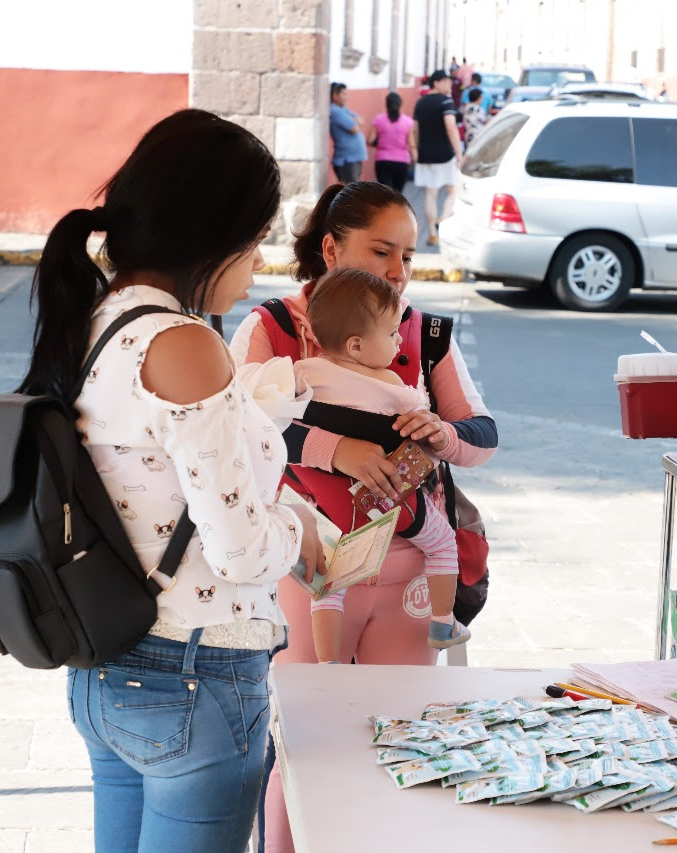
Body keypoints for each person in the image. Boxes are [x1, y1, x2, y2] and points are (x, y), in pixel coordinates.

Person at [19, 109, 324, 853]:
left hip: (108, 665)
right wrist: (299, 526)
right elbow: (243, 554)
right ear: (212, 238)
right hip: (193, 675)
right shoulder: (182, 342)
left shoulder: (97, 318)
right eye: (255, 241)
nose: (258, 263)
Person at [229, 180, 497, 853]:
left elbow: (482, 436)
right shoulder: (271, 328)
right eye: (382, 252)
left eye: (408, 256)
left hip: (407, 571)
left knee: (400, 742)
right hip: (307, 568)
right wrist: (332, 448)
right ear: (331, 246)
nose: (399, 272)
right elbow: (230, 430)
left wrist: (443, 434)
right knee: (303, 741)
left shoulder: (424, 333)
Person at [297, 268, 468, 662]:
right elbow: (423, 426)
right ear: (356, 345)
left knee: (330, 584)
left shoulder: (304, 373)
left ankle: (328, 662)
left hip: (330, 505)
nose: (397, 341)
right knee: (442, 544)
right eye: (392, 333)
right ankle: (444, 621)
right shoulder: (391, 383)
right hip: (393, 500)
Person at [410, 70, 463, 246]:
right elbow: (451, 127)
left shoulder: (420, 103)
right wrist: (459, 153)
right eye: (447, 82)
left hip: (425, 156)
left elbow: (415, 130)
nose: (449, 85)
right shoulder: (446, 102)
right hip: (445, 156)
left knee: (430, 194)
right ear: (437, 83)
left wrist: (416, 151)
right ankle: (444, 217)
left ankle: (432, 232)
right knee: (455, 189)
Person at [369, 91, 414, 193]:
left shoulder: (378, 119)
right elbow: (411, 144)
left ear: (386, 104)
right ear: (400, 105)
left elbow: (370, 140)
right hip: (402, 162)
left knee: (386, 194)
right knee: (398, 195)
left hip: (383, 160)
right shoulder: (408, 121)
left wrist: (381, 143)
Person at [329, 82, 367, 183]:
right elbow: (354, 128)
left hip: (352, 159)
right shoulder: (335, 111)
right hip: (346, 160)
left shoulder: (343, 109)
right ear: (335, 96)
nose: (346, 97)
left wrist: (355, 121)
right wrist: (355, 122)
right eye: (343, 94)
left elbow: (360, 120)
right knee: (350, 193)